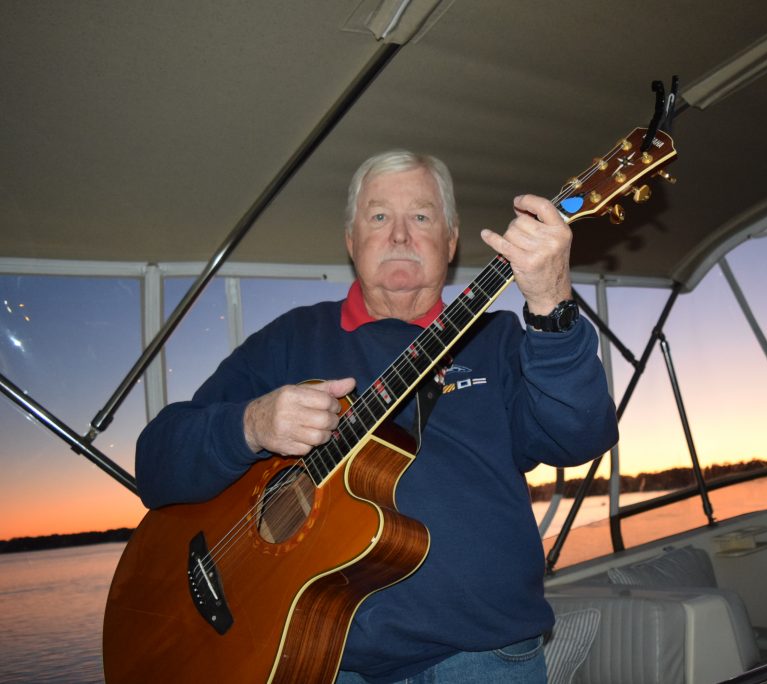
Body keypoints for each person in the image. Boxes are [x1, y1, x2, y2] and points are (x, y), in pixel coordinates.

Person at [135, 150, 618, 683]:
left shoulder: (500, 341)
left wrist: (551, 306)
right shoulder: (289, 342)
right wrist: (251, 424)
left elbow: (582, 435)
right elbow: (155, 463)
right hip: (319, 661)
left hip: (485, 657)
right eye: (379, 216)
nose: (400, 235)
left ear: (451, 241)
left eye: (422, 216)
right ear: (350, 241)